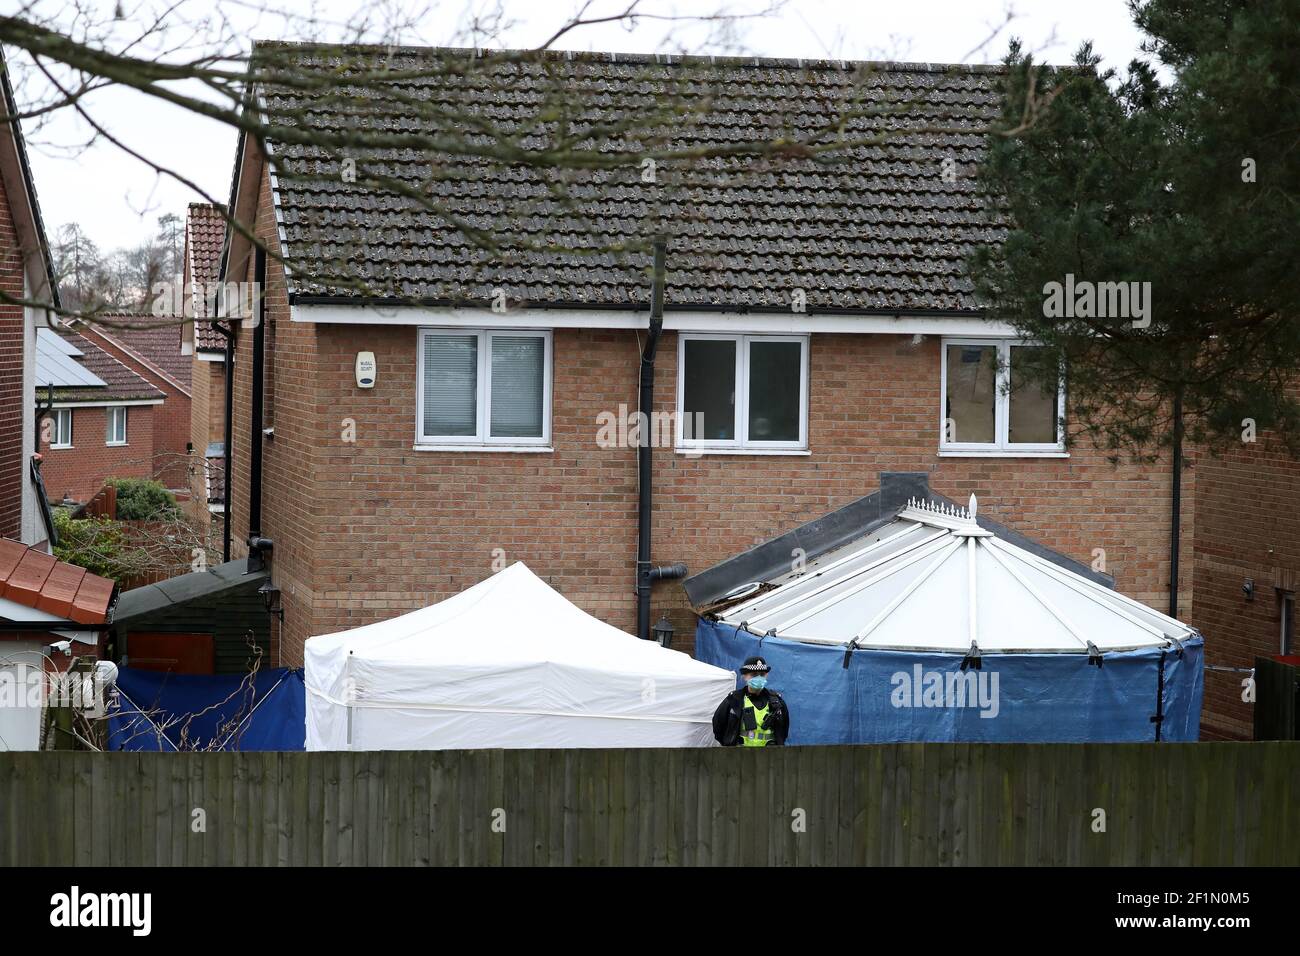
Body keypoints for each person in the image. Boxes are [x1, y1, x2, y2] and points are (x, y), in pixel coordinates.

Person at [711, 656, 790, 746]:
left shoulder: (777, 701)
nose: (759, 677)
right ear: (745, 676)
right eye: (754, 674)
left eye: (762, 674)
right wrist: (729, 744)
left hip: (769, 755)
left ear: (766, 675)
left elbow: (784, 729)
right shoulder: (734, 699)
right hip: (740, 755)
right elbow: (718, 724)